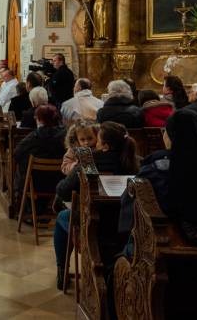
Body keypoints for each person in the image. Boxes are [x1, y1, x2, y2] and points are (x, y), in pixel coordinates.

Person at [53, 121, 139, 289]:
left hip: (95, 226)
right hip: (127, 226)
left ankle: (62, 269)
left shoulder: (90, 161)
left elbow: (63, 190)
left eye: (97, 140)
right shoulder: (134, 162)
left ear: (105, 145)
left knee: (62, 217)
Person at [12, 104, 67, 203]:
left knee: (21, 164)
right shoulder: (65, 135)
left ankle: (21, 201)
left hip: (35, 184)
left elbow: (16, 153)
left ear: (39, 120)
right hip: (60, 182)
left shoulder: (35, 136)